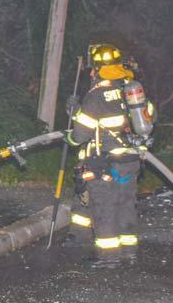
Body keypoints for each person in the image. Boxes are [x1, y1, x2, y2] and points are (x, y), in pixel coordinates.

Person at [65, 44, 155, 261]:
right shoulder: (132, 90)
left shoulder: (96, 96)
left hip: (103, 164)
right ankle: (129, 251)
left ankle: (109, 258)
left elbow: (79, 135)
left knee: (104, 208)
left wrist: (74, 117)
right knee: (126, 205)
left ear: (97, 70)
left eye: (93, 70)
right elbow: (150, 115)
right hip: (131, 160)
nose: (91, 74)